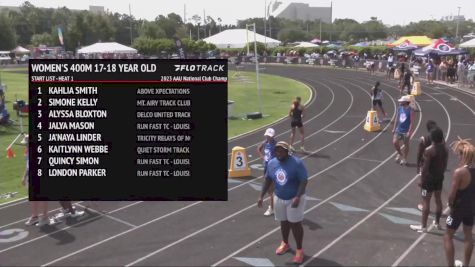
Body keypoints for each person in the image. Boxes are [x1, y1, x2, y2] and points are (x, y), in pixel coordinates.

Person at [257, 141, 308, 264]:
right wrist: (261, 195)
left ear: (287, 151)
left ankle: (299, 250)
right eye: (277, 150)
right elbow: (268, 179)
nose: (278, 152)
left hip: (294, 198)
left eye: (281, 150)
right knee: (283, 222)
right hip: (279, 197)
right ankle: (285, 243)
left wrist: (298, 196)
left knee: (295, 224)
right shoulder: (272, 163)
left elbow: (303, 181)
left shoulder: (297, 163)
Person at [410, 127, 448, 233]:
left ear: (433, 138)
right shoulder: (445, 149)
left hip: (429, 179)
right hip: (439, 178)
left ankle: (423, 226)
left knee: (426, 201)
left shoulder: (429, 150)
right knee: (438, 200)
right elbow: (444, 165)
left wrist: (422, 180)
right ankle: (437, 222)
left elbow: (425, 168)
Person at [444, 138, 475, 267]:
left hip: (458, 208)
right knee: (468, 236)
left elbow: (452, 194)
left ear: (463, 155)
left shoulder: (460, 172)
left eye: (459, 155)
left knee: (447, 236)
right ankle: (466, 265)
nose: (458, 157)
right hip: (471, 208)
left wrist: (450, 205)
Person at [21, 135, 59, 226]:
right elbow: (28, 166)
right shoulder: (28, 152)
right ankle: (35, 216)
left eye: (26, 143)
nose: (25, 145)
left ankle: (45, 217)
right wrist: (24, 176)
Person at [416, 120, 438, 211]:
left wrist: (418, 166)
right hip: (437, 167)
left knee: (424, 186)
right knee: (436, 189)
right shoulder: (440, 139)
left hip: (426, 166)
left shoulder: (424, 139)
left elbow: (419, 153)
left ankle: (424, 203)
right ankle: (436, 207)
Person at [257, 128, 277, 216]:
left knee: (270, 190)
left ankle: (272, 208)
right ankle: (274, 206)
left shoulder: (276, 145)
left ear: (273, 136)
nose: (268, 137)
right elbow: (258, 148)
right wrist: (262, 157)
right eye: (267, 136)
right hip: (266, 167)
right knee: (270, 189)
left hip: (272, 169)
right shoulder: (265, 142)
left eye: (270, 136)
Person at [392, 95, 415, 166]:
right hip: (398, 129)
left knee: (406, 145)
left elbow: (411, 122)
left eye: (401, 101)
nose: (400, 102)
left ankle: (404, 158)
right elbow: (396, 118)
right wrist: (394, 128)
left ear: (405, 102)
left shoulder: (411, 110)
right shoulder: (399, 108)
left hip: (405, 131)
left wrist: (409, 131)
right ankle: (399, 153)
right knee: (395, 142)